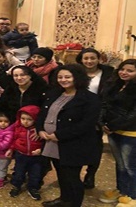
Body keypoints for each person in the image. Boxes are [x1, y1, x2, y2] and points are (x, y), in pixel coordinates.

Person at [38, 64, 101, 207]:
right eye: (60, 77)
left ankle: (75, 203)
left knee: (72, 177)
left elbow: (86, 124)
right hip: (51, 142)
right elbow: (43, 113)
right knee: (61, 174)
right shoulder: (54, 93)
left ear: (77, 78)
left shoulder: (90, 98)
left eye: (67, 77)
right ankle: (64, 199)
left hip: (73, 143)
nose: (63, 80)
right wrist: (40, 129)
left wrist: (59, 135)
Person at [99, 59, 136, 207]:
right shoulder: (116, 84)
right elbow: (104, 104)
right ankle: (122, 191)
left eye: (130, 71)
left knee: (132, 167)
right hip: (114, 131)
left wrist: (111, 125)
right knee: (120, 165)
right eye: (122, 69)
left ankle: (133, 198)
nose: (124, 72)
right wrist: (102, 122)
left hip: (135, 133)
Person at [76, 48, 114, 189]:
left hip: (98, 113)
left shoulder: (109, 72)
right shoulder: (76, 71)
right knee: (77, 145)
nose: (89, 61)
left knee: (95, 146)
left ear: (99, 59)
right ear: (81, 59)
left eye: (93, 58)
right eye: (86, 58)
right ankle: (75, 175)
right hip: (78, 112)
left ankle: (90, 174)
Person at [7, 105, 44, 200]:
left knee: (35, 174)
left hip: (35, 157)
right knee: (19, 172)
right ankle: (16, 186)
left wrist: (41, 150)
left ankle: (33, 188)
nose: (25, 122)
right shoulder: (18, 127)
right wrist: (11, 149)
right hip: (21, 155)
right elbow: (13, 139)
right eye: (23, 118)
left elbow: (44, 142)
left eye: (29, 119)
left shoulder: (39, 130)